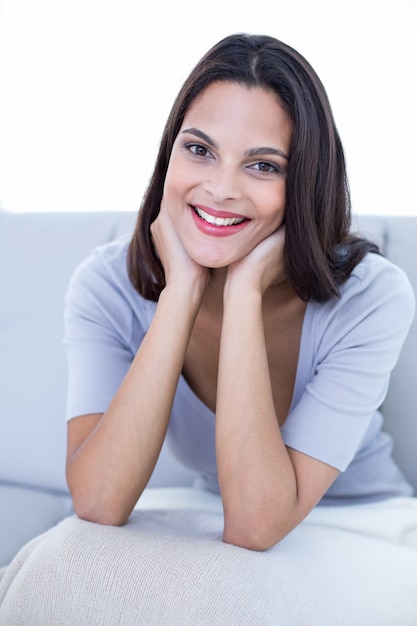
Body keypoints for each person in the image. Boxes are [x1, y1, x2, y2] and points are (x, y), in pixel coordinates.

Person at [64, 32, 414, 552]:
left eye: (263, 165)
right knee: (60, 565)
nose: (222, 188)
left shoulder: (372, 297)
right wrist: (180, 292)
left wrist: (245, 290)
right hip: (210, 506)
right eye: (200, 150)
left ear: (305, 183)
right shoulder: (105, 284)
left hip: (359, 523)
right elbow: (97, 503)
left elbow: (254, 527)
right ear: (169, 156)